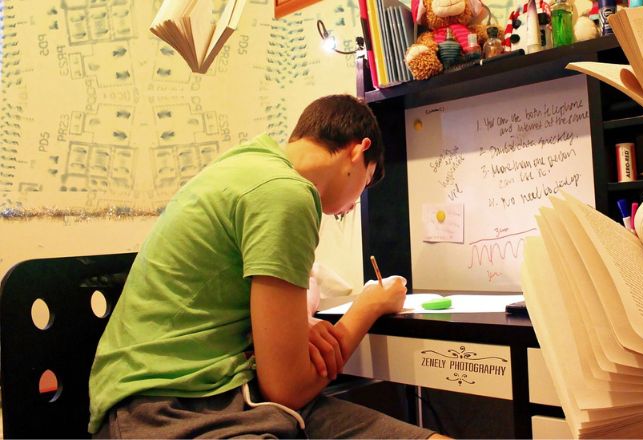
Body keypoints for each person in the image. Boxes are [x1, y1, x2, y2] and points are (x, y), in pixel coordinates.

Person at [88, 94, 443, 439]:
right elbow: (287, 388)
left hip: (221, 387)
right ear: (358, 150)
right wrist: (370, 305)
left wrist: (296, 325)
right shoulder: (286, 193)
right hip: (164, 406)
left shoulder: (249, 164)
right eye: (365, 183)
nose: (353, 206)